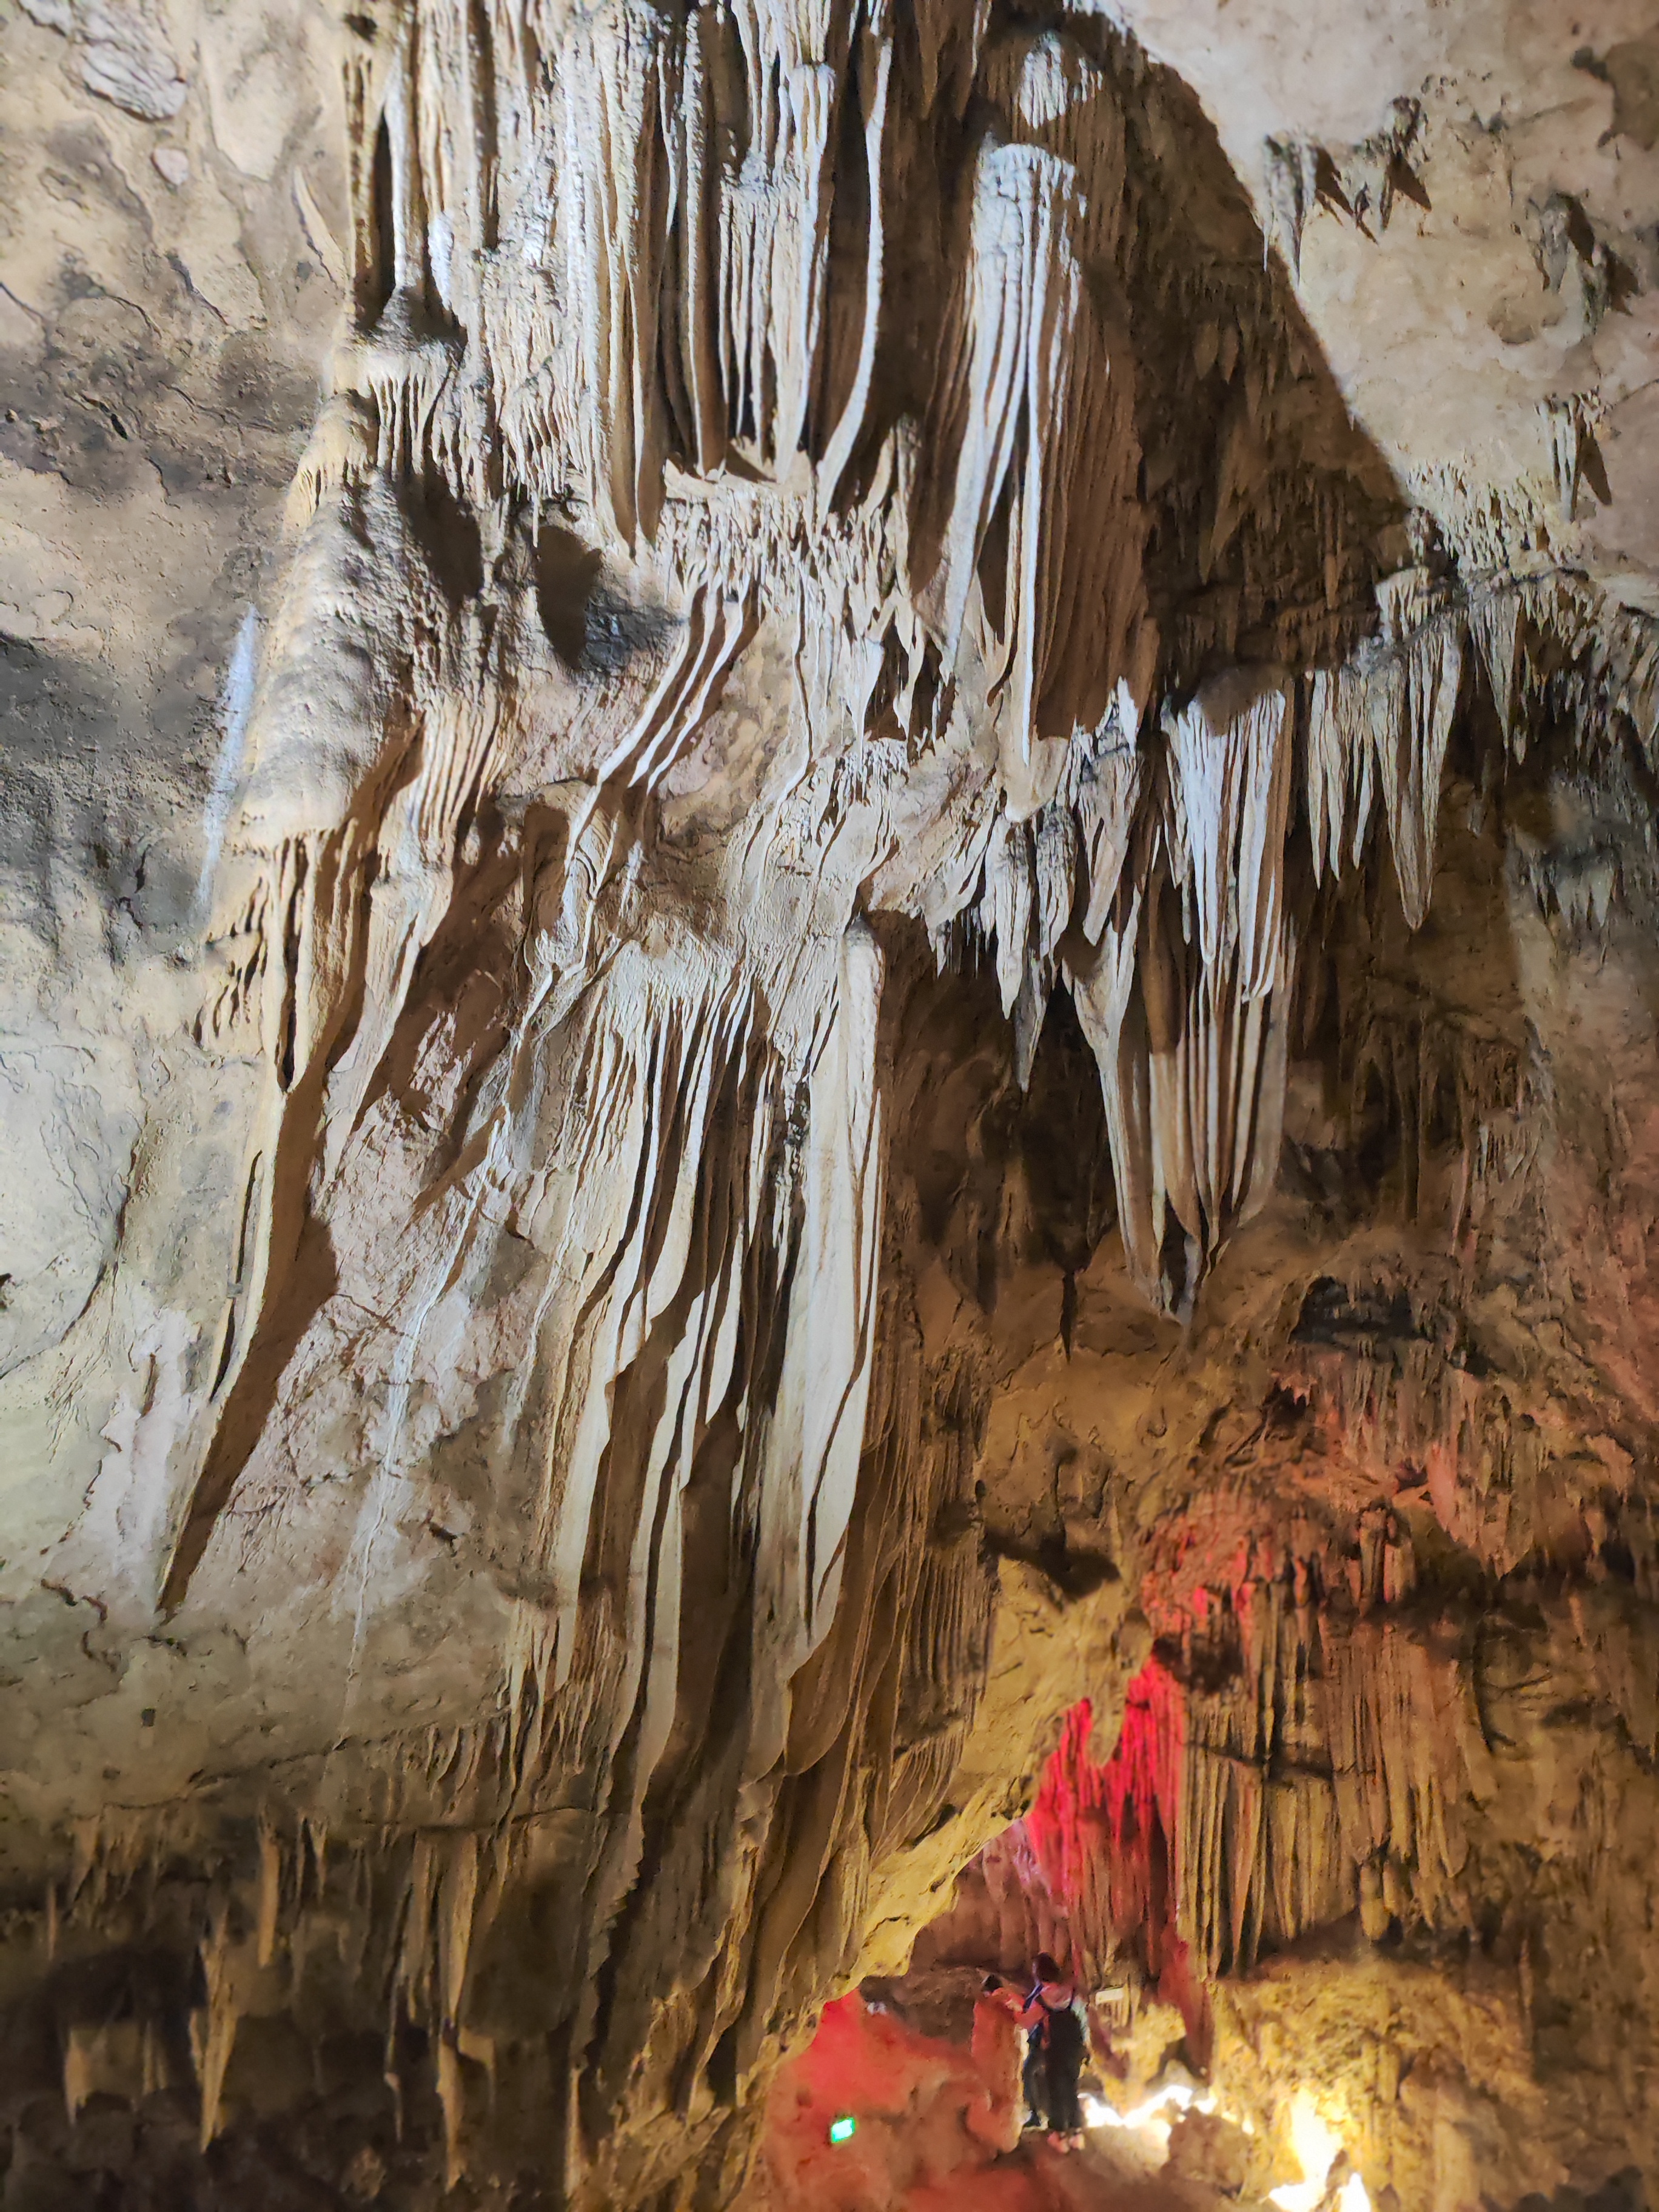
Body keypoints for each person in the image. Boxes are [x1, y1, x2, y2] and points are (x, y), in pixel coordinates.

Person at [1019, 1952, 1087, 2153]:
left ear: (1039, 1974)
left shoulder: (1044, 1999)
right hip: (1074, 2046)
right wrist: (1086, 2044)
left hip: (1056, 2047)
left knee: (1056, 2089)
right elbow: (1083, 2019)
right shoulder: (1072, 1992)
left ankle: (1059, 2135)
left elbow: (1025, 2022)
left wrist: (1010, 2009)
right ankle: (1076, 2134)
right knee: (1071, 2088)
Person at [967, 1974, 1025, 2155]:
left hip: (990, 2058)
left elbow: (985, 2027)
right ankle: (1005, 2138)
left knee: (990, 2095)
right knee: (1006, 2096)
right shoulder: (1010, 2006)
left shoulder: (987, 2007)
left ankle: (990, 2140)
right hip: (1007, 2059)